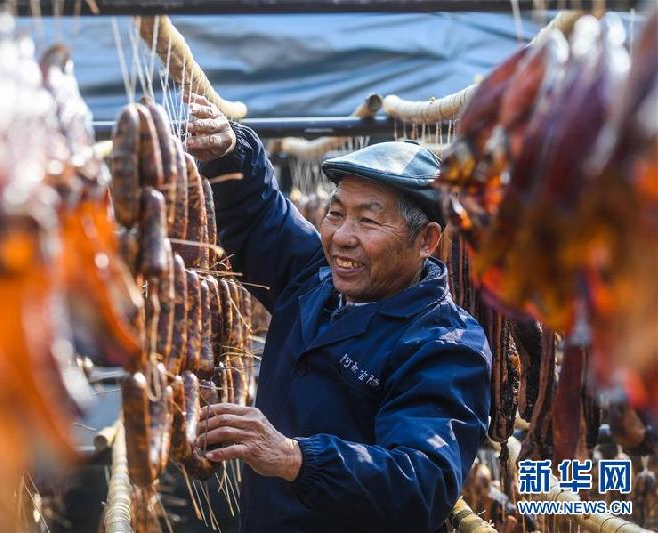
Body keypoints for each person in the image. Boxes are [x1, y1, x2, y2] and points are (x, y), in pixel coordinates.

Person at [185, 94, 492, 533]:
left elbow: (422, 484)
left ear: (426, 240)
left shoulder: (445, 344)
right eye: (335, 214)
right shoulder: (313, 281)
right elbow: (259, 218)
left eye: (368, 221)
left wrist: (294, 457)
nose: (341, 237)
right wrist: (232, 153)